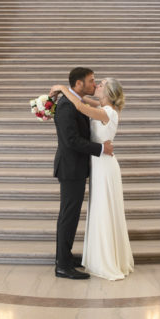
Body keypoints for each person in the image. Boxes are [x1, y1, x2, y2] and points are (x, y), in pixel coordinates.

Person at [51, 77, 134, 281]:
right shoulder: (104, 106)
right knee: (99, 210)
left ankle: (106, 259)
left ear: (108, 93)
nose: (97, 85)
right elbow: (84, 101)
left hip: (104, 167)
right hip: (98, 165)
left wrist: (62, 88)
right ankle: (98, 256)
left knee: (103, 210)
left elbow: (79, 104)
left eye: (101, 84)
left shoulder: (106, 112)